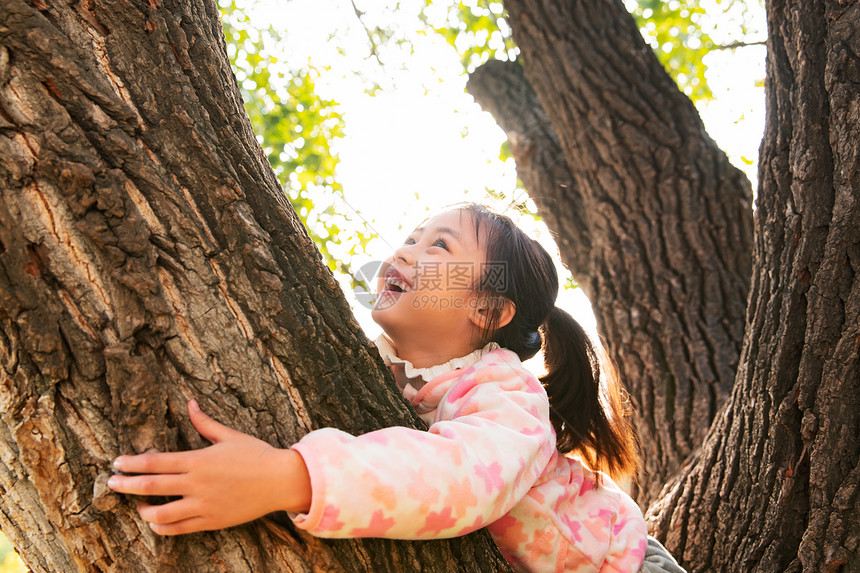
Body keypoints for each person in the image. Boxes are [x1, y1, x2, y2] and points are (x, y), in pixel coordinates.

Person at [108, 203, 649, 572]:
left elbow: (461, 479)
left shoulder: (505, 391)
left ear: (487, 309)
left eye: (439, 247)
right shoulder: (381, 366)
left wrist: (290, 477)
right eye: (411, 238)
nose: (406, 252)